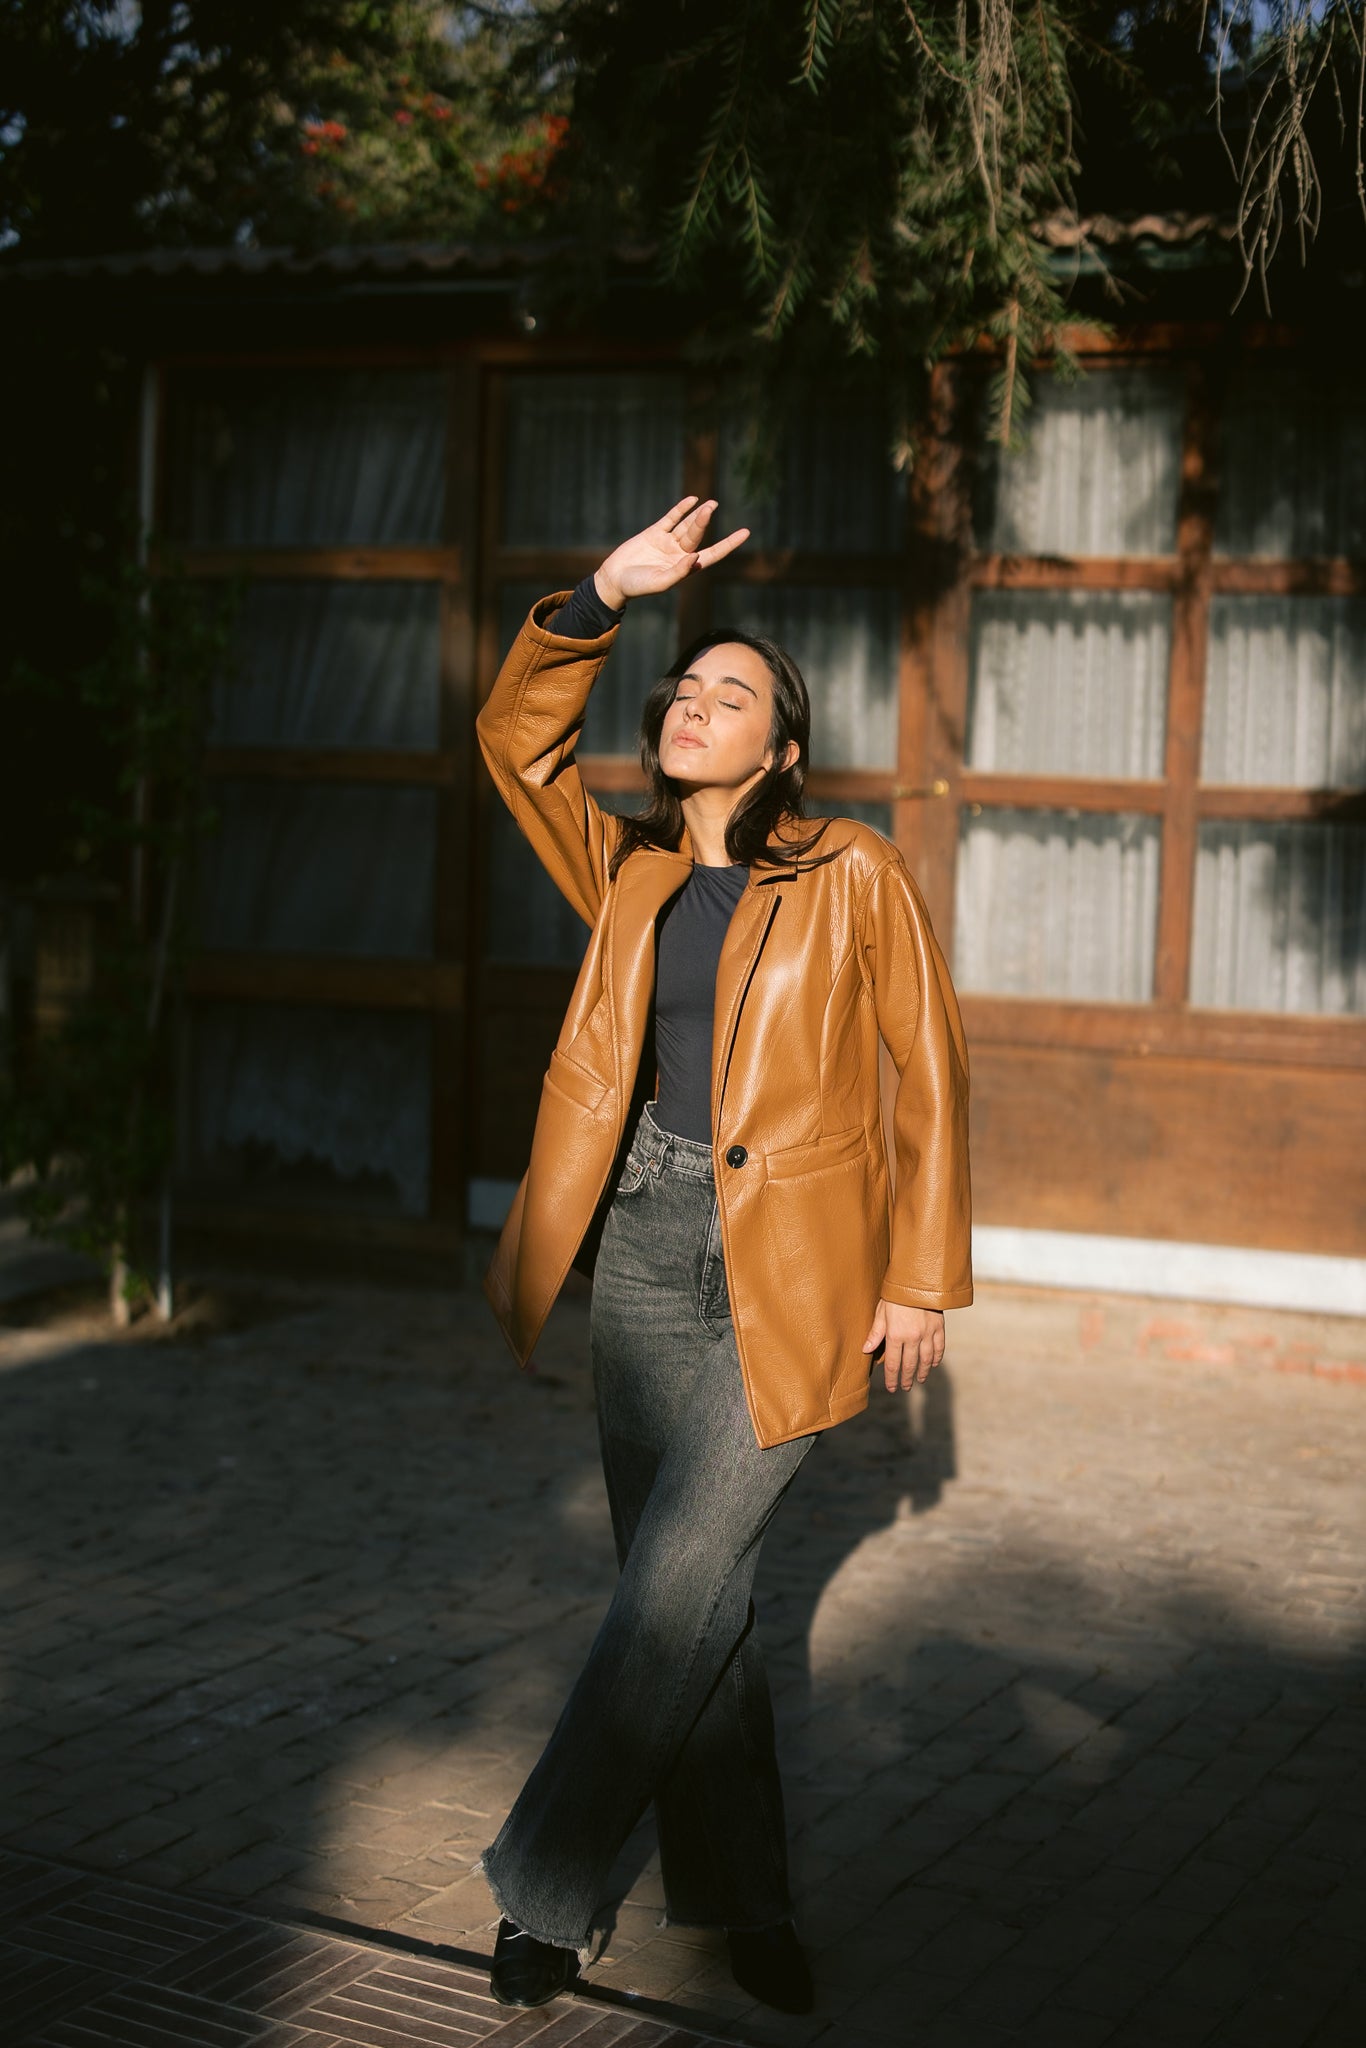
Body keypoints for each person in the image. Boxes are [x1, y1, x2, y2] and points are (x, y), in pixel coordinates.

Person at [474, 495, 972, 2015]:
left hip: (798, 1269)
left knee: (671, 1587)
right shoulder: (620, 870)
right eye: (684, 689)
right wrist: (596, 598)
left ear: (782, 748)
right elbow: (515, 744)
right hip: (640, 1247)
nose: (696, 705)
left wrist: (918, 1279)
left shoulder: (853, 874)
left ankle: (545, 1890)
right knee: (701, 1611)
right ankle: (745, 1902)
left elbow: (928, 1072)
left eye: (731, 694)